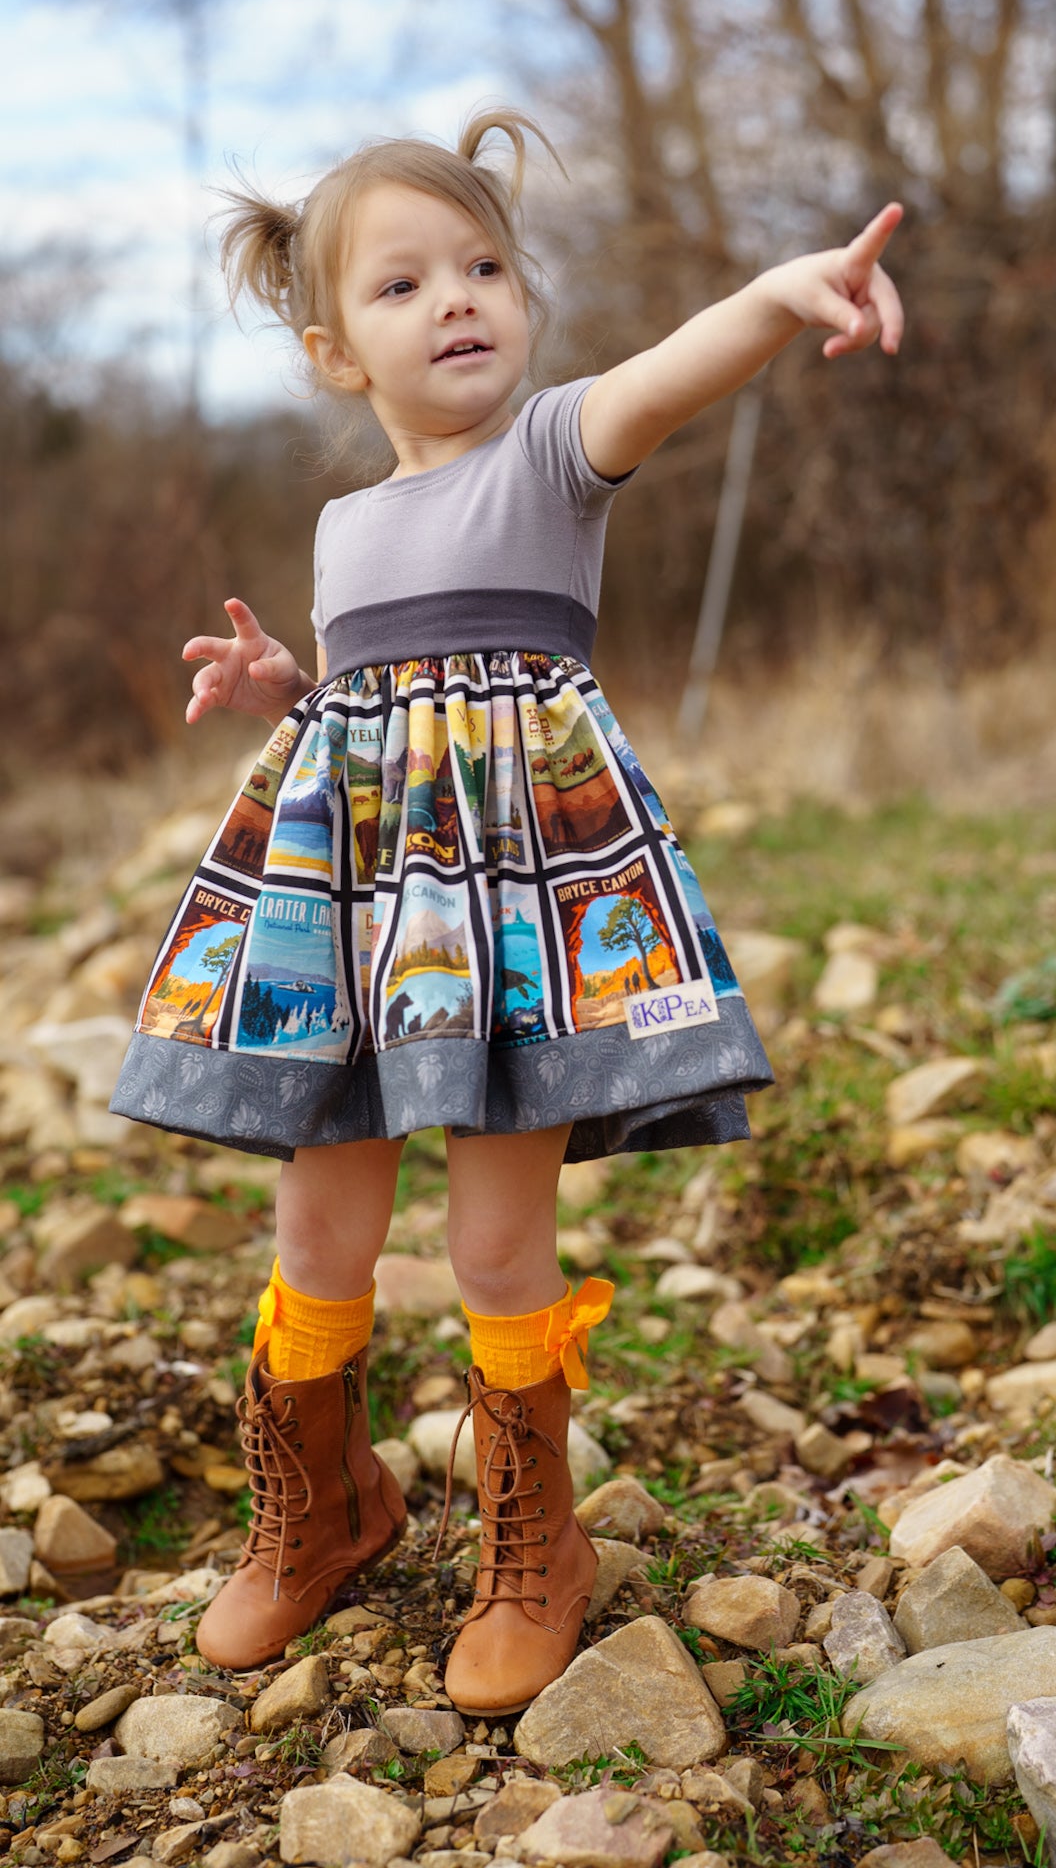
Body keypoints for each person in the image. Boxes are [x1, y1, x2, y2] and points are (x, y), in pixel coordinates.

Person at [109, 105, 903, 1711]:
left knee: (491, 1236)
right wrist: (287, 686)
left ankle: (537, 1542)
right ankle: (325, 1508)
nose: (456, 300)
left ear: (525, 300)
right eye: (403, 285)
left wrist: (780, 293)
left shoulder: (550, 453)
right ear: (337, 354)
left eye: (482, 268)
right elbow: (378, 718)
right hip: (354, 919)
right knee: (319, 1223)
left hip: (515, 926)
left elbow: (670, 372)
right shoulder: (343, 525)